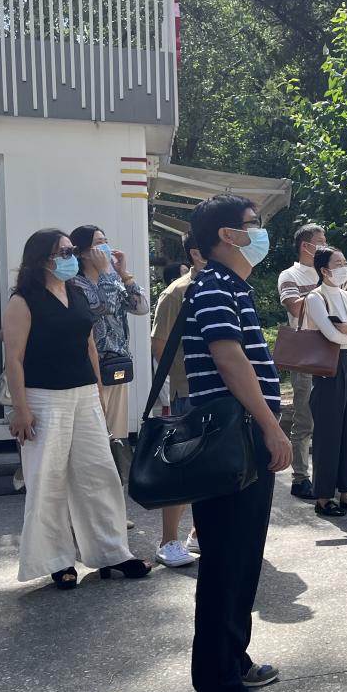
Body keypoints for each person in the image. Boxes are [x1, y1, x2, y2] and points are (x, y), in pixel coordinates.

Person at [183, 195, 291, 692]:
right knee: (225, 565)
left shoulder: (231, 286)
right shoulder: (213, 287)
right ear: (227, 235)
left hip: (243, 439)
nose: (261, 233)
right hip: (233, 440)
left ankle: (234, 659)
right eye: (254, 224)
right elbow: (229, 359)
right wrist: (271, 425)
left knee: (243, 559)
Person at [1, 229, 151, 590]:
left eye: (71, 250)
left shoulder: (77, 292)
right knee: (47, 480)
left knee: (99, 472)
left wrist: (97, 390)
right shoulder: (22, 300)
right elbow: (14, 359)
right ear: (42, 259)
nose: (71, 257)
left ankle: (112, 553)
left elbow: (89, 346)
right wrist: (20, 408)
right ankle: (58, 560)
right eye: (63, 252)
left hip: (84, 394)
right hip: (43, 397)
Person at [278, 223, 347, 500]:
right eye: (321, 241)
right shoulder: (296, 279)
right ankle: (308, 483)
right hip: (316, 358)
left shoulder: (343, 290)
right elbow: (310, 318)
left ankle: (345, 489)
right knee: (311, 422)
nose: (343, 268)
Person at [149, 234, 206, 567]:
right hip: (189, 393)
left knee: (213, 465)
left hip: (222, 392)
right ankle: (168, 540)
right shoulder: (176, 292)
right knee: (182, 467)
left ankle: (198, 533)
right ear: (197, 252)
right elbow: (159, 344)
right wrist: (182, 376)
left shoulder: (228, 284)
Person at [303, 245, 347, 518]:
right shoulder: (315, 297)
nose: (344, 268)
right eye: (338, 263)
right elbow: (330, 335)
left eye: (344, 262)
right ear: (324, 270)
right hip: (329, 365)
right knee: (328, 432)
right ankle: (323, 496)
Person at [70, 225, 150, 445]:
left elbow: (141, 308)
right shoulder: (76, 284)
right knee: (94, 432)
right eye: (98, 243)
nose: (105, 247)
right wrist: (107, 272)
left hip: (118, 363)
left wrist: (124, 274)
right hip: (91, 367)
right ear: (83, 252)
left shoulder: (113, 280)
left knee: (117, 433)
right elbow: (104, 307)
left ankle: (117, 464)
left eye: (106, 241)